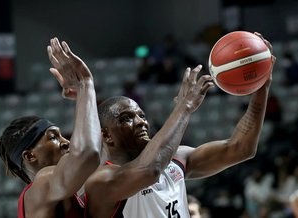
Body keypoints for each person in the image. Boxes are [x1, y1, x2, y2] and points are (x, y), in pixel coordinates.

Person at [60, 32, 275, 217]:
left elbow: (241, 148)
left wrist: (261, 86)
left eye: (141, 115)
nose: (141, 122)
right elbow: (149, 169)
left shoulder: (177, 160)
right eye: (126, 118)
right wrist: (184, 107)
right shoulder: (101, 182)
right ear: (105, 135)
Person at [0, 37, 101, 218]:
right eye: (53, 137)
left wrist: (80, 99)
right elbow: (87, 153)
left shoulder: (58, 187)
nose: (66, 142)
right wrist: (86, 84)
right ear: (30, 155)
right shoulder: (43, 183)